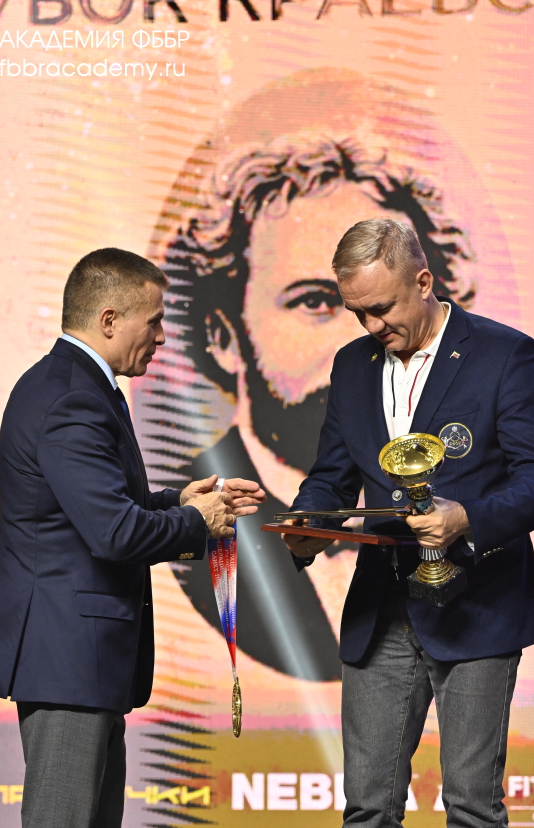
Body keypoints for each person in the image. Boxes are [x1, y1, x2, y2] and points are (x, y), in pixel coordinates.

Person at [0, 248, 263, 828]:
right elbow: (111, 532)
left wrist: (178, 500)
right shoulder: (70, 396)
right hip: (65, 651)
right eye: (154, 321)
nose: (161, 337)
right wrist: (196, 523)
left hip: (85, 653)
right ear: (108, 319)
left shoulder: (83, 388)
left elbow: (104, 507)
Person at [284, 218, 534, 828]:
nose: (372, 326)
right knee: (368, 803)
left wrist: (467, 518)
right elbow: (333, 474)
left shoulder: (503, 354)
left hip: (477, 606)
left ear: (423, 280)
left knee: (473, 802)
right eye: (357, 313)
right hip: (384, 610)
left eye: (382, 309)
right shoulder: (351, 366)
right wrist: (307, 524)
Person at [138, 70, 485, 680]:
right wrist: (308, 525)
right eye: (315, 303)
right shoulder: (197, 522)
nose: (365, 336)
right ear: (222, 334)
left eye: (385, 307)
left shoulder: (457, 432)